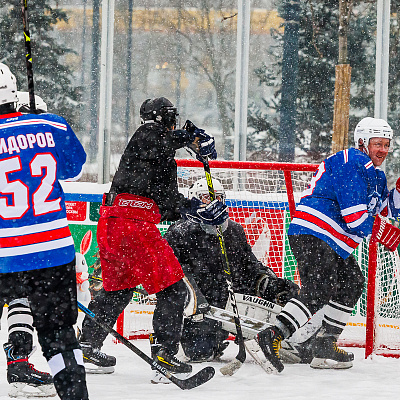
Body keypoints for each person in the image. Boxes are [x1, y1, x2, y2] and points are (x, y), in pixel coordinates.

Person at [77, 97, 228, 382]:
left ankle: (86, 346)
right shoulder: (148, 134)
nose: (173, 124)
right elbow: (157, 138)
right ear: (162, 118)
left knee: (117, 291)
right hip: (133, 228)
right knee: (173, 290)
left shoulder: (158, 158)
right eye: (171, 118)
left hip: (115, 225)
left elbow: (168, 203)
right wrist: (192, 137)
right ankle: (164, 356)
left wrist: (197, 210)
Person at [257, 117, 400, 373]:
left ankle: (324, 344)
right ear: (362, 143)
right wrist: (380, 231)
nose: (383, 150)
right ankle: (273, 334)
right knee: (320, 287)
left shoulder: (374, 173)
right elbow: (355, 216)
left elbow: (385, 209)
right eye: (377, 143)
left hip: (332, 240)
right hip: (314, 232)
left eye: (386, 144)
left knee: (352, 282)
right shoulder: (352, 160)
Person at [0, 63, 89, 399]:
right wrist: (34, 130)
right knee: (60, 338)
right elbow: (73, 168)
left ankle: (18, 363)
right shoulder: (50, 124)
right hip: (51, 252)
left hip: (5, 255)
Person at [163, 177, 300, 362]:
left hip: (231, 301)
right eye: (206, 197)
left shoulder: (233, 230)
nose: (213, 202)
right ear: (194, 198)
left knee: (287, 290)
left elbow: (250, 267)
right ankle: (198, 338)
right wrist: (195, 300)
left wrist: (267, 282)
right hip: (199, 309)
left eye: (218, 198)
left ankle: (280, 336)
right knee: (200, 353)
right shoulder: (179, 232)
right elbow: (175, 274)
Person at [0, 92, 56, 398]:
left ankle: (20, 364)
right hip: (20, 242)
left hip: (16, 242)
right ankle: (19, 365)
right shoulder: (33, 140)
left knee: (21, 299)